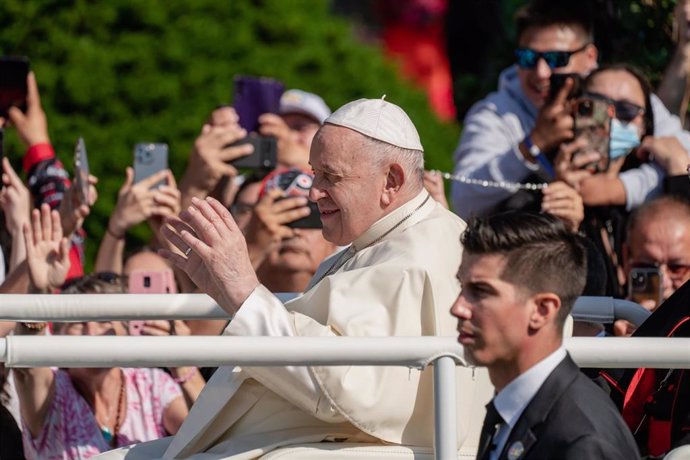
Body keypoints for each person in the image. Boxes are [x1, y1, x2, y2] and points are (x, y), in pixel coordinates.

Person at [99, 98, 493, 459]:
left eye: (329, 177)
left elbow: (340, 386)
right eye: (313, 174)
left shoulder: (415, 255)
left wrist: (243, 292)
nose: (313, 192)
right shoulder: (381, 239)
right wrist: (228, 290)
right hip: (308, 436)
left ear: (390, 180)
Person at [451, 1, 690, 219]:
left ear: (589, 57)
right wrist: (531, 146)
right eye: (528, 58)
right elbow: (464, 201)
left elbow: (683, 152)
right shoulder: (496, 114)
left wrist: (620, 189)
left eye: (557, 59)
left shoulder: (620, 91)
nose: (541, 72)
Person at [451, 212, 640, 460]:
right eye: (462, 287)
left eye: (481, 291)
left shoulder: (582, 441)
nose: (458, 307)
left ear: (542, 310)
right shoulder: (519, 405)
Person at [13, 204, 188, 459]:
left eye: (104, 319)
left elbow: (203, 437)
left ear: (125, 329)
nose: (90, 330)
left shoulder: (151, 384)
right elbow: (28, 367)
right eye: (76, 321)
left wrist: (183, 366)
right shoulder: (53, 393)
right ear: (58, 335)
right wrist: (39, 292)